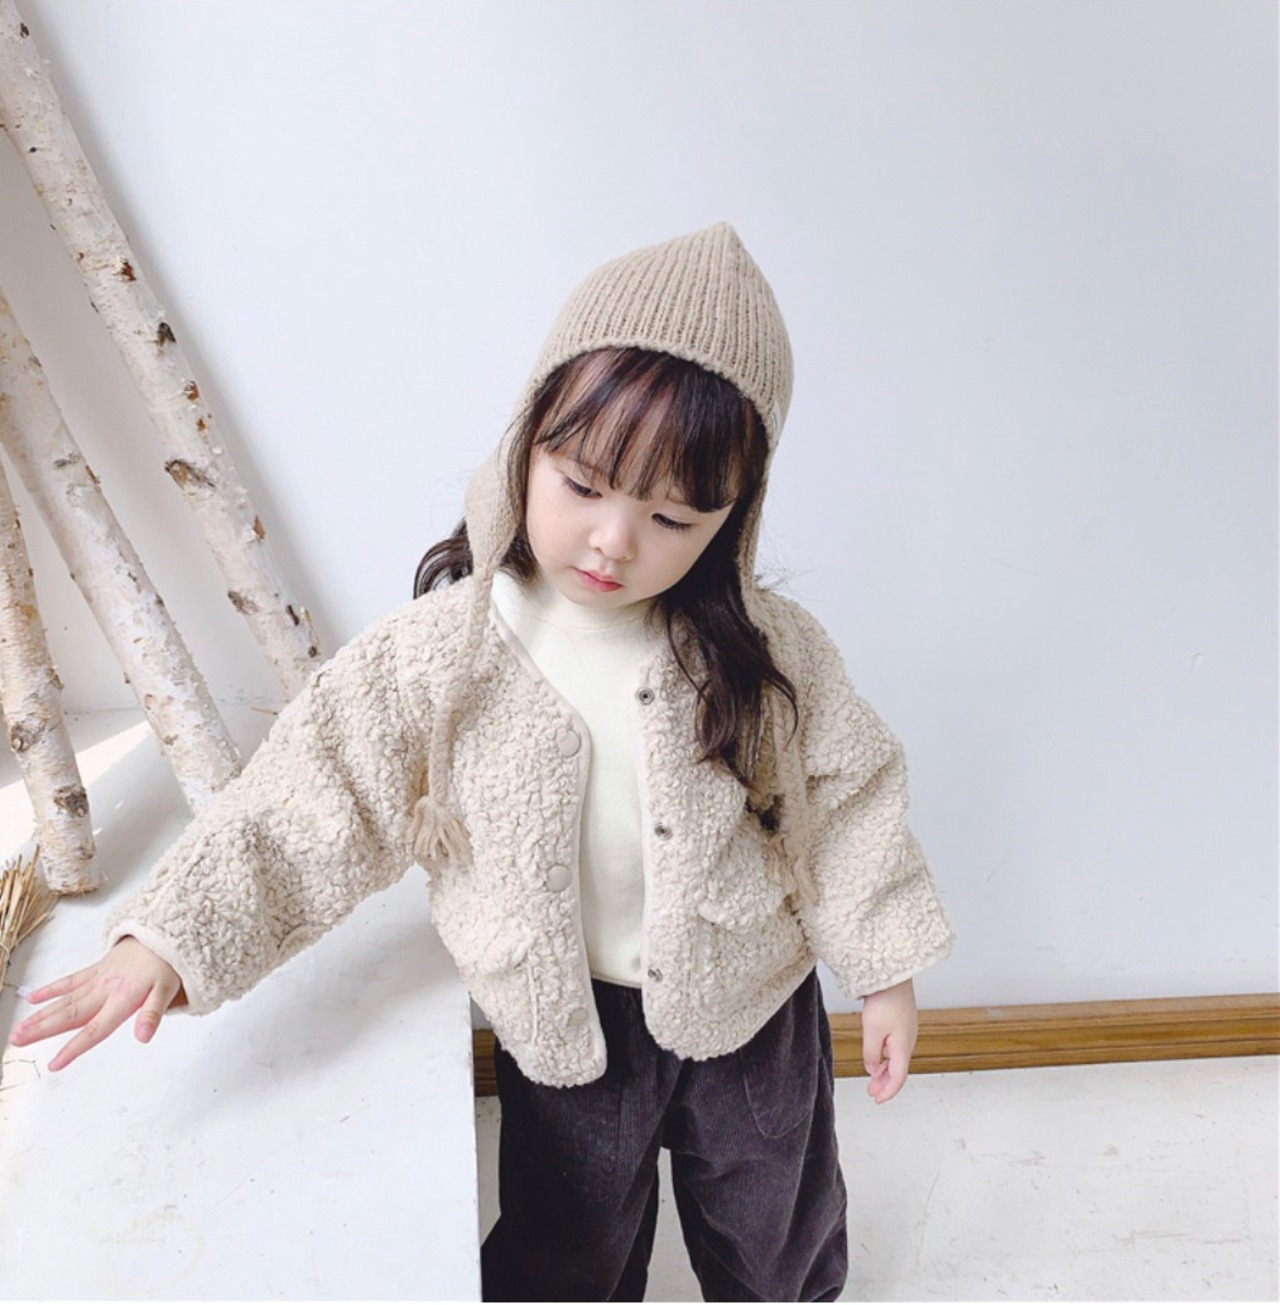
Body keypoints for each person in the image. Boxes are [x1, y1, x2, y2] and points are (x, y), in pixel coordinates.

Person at [9, 222, 954, 1301]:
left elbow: (848, 801)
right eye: (583, 484)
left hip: (751, 1009)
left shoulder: (769, 653)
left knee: (775, 1229)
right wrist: (172, 938)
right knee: (565, 1247)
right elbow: (308, 798)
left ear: (731, 520)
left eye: (671, 516)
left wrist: (884, 972)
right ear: (526, 441)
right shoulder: (443, 656)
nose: (613, 541)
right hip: (566, 1025)